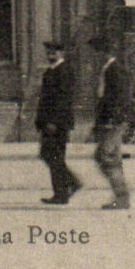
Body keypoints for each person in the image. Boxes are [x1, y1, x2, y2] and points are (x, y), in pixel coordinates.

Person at [88, 34, 131, 210]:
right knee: (111, 158)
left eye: (94, 53)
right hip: (110, 121)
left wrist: (112, 120)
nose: (93, 57)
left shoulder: (114, 69)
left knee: (106, 157)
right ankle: (121, 197)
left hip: (113, 122)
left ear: (101, 53)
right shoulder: (108, 68)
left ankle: (122, 197)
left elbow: (118, 98)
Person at [36, 40, 81, 205]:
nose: (50, 55)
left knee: (53, 155)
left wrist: (54, 121)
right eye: (48, 52)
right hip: (50, 122)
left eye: (53, 52)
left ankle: (66, 189)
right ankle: (64, 190)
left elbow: (63, 99)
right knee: (50, 155)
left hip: (57, 123)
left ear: (61, 53)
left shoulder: (64, 71)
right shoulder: (51, 71)